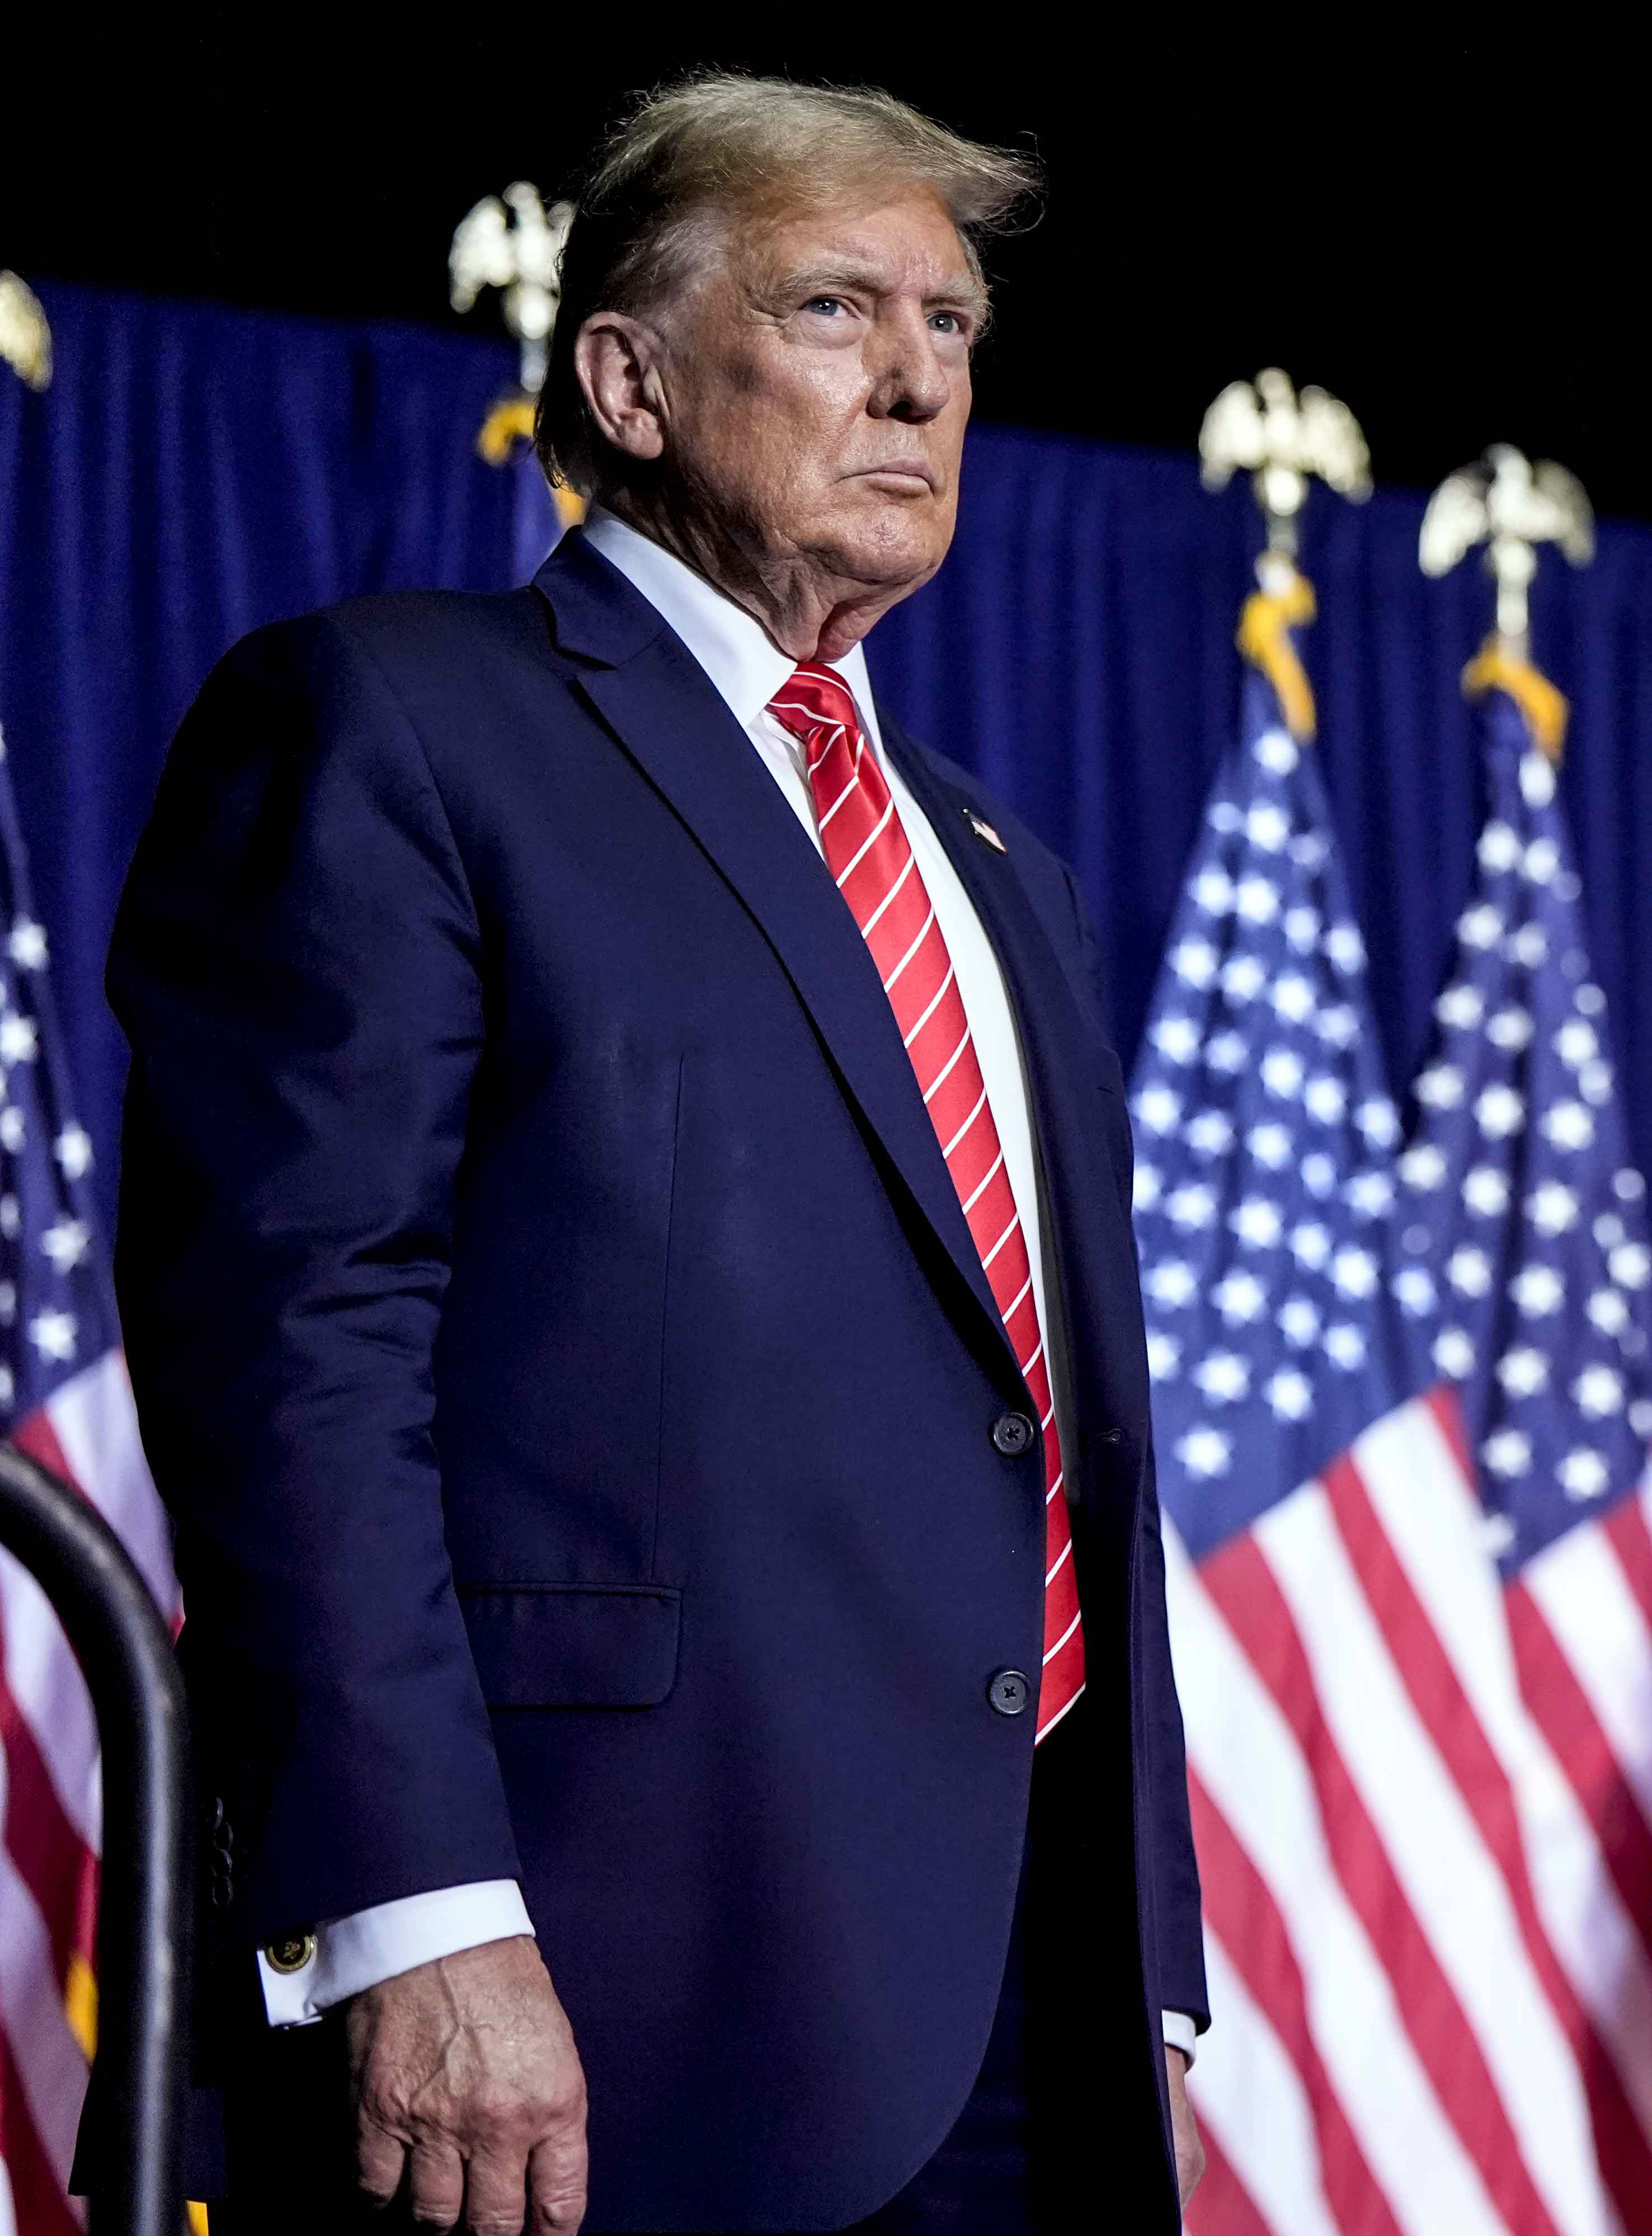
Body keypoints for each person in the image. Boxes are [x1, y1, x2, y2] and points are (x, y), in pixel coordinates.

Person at [103, 73, 1204, 2234]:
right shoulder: (396, 721)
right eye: (834, 308)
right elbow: (293, 1350)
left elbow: (1060, 1437)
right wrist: (419, 1908)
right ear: (627, 381)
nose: (918, 380)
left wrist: (1135, 1958)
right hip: (590, 2005)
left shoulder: (997, 866)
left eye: (953, 325)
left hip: (1017, 2013)